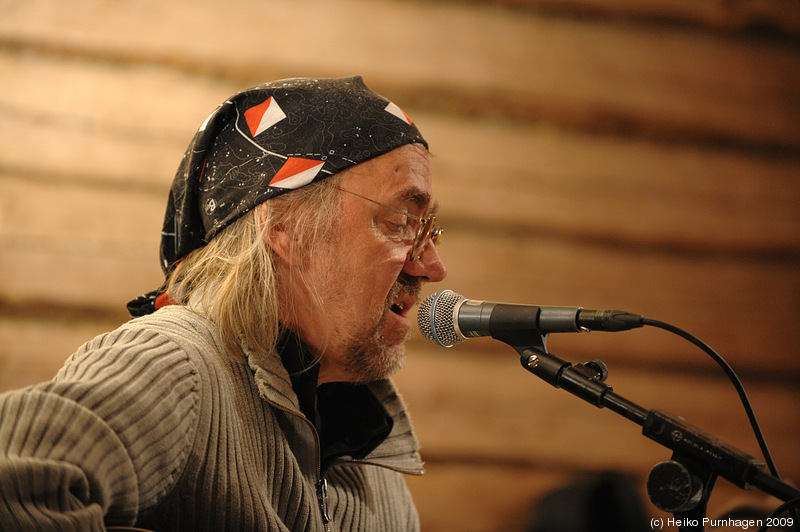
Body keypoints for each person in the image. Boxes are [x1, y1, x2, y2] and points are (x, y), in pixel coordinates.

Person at [0, 76, 447, 531]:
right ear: (284, 227)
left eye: (431, 231)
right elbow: (14, 476)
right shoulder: (178, 362)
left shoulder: (376, 465)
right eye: (401, 221)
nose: (432, 265)